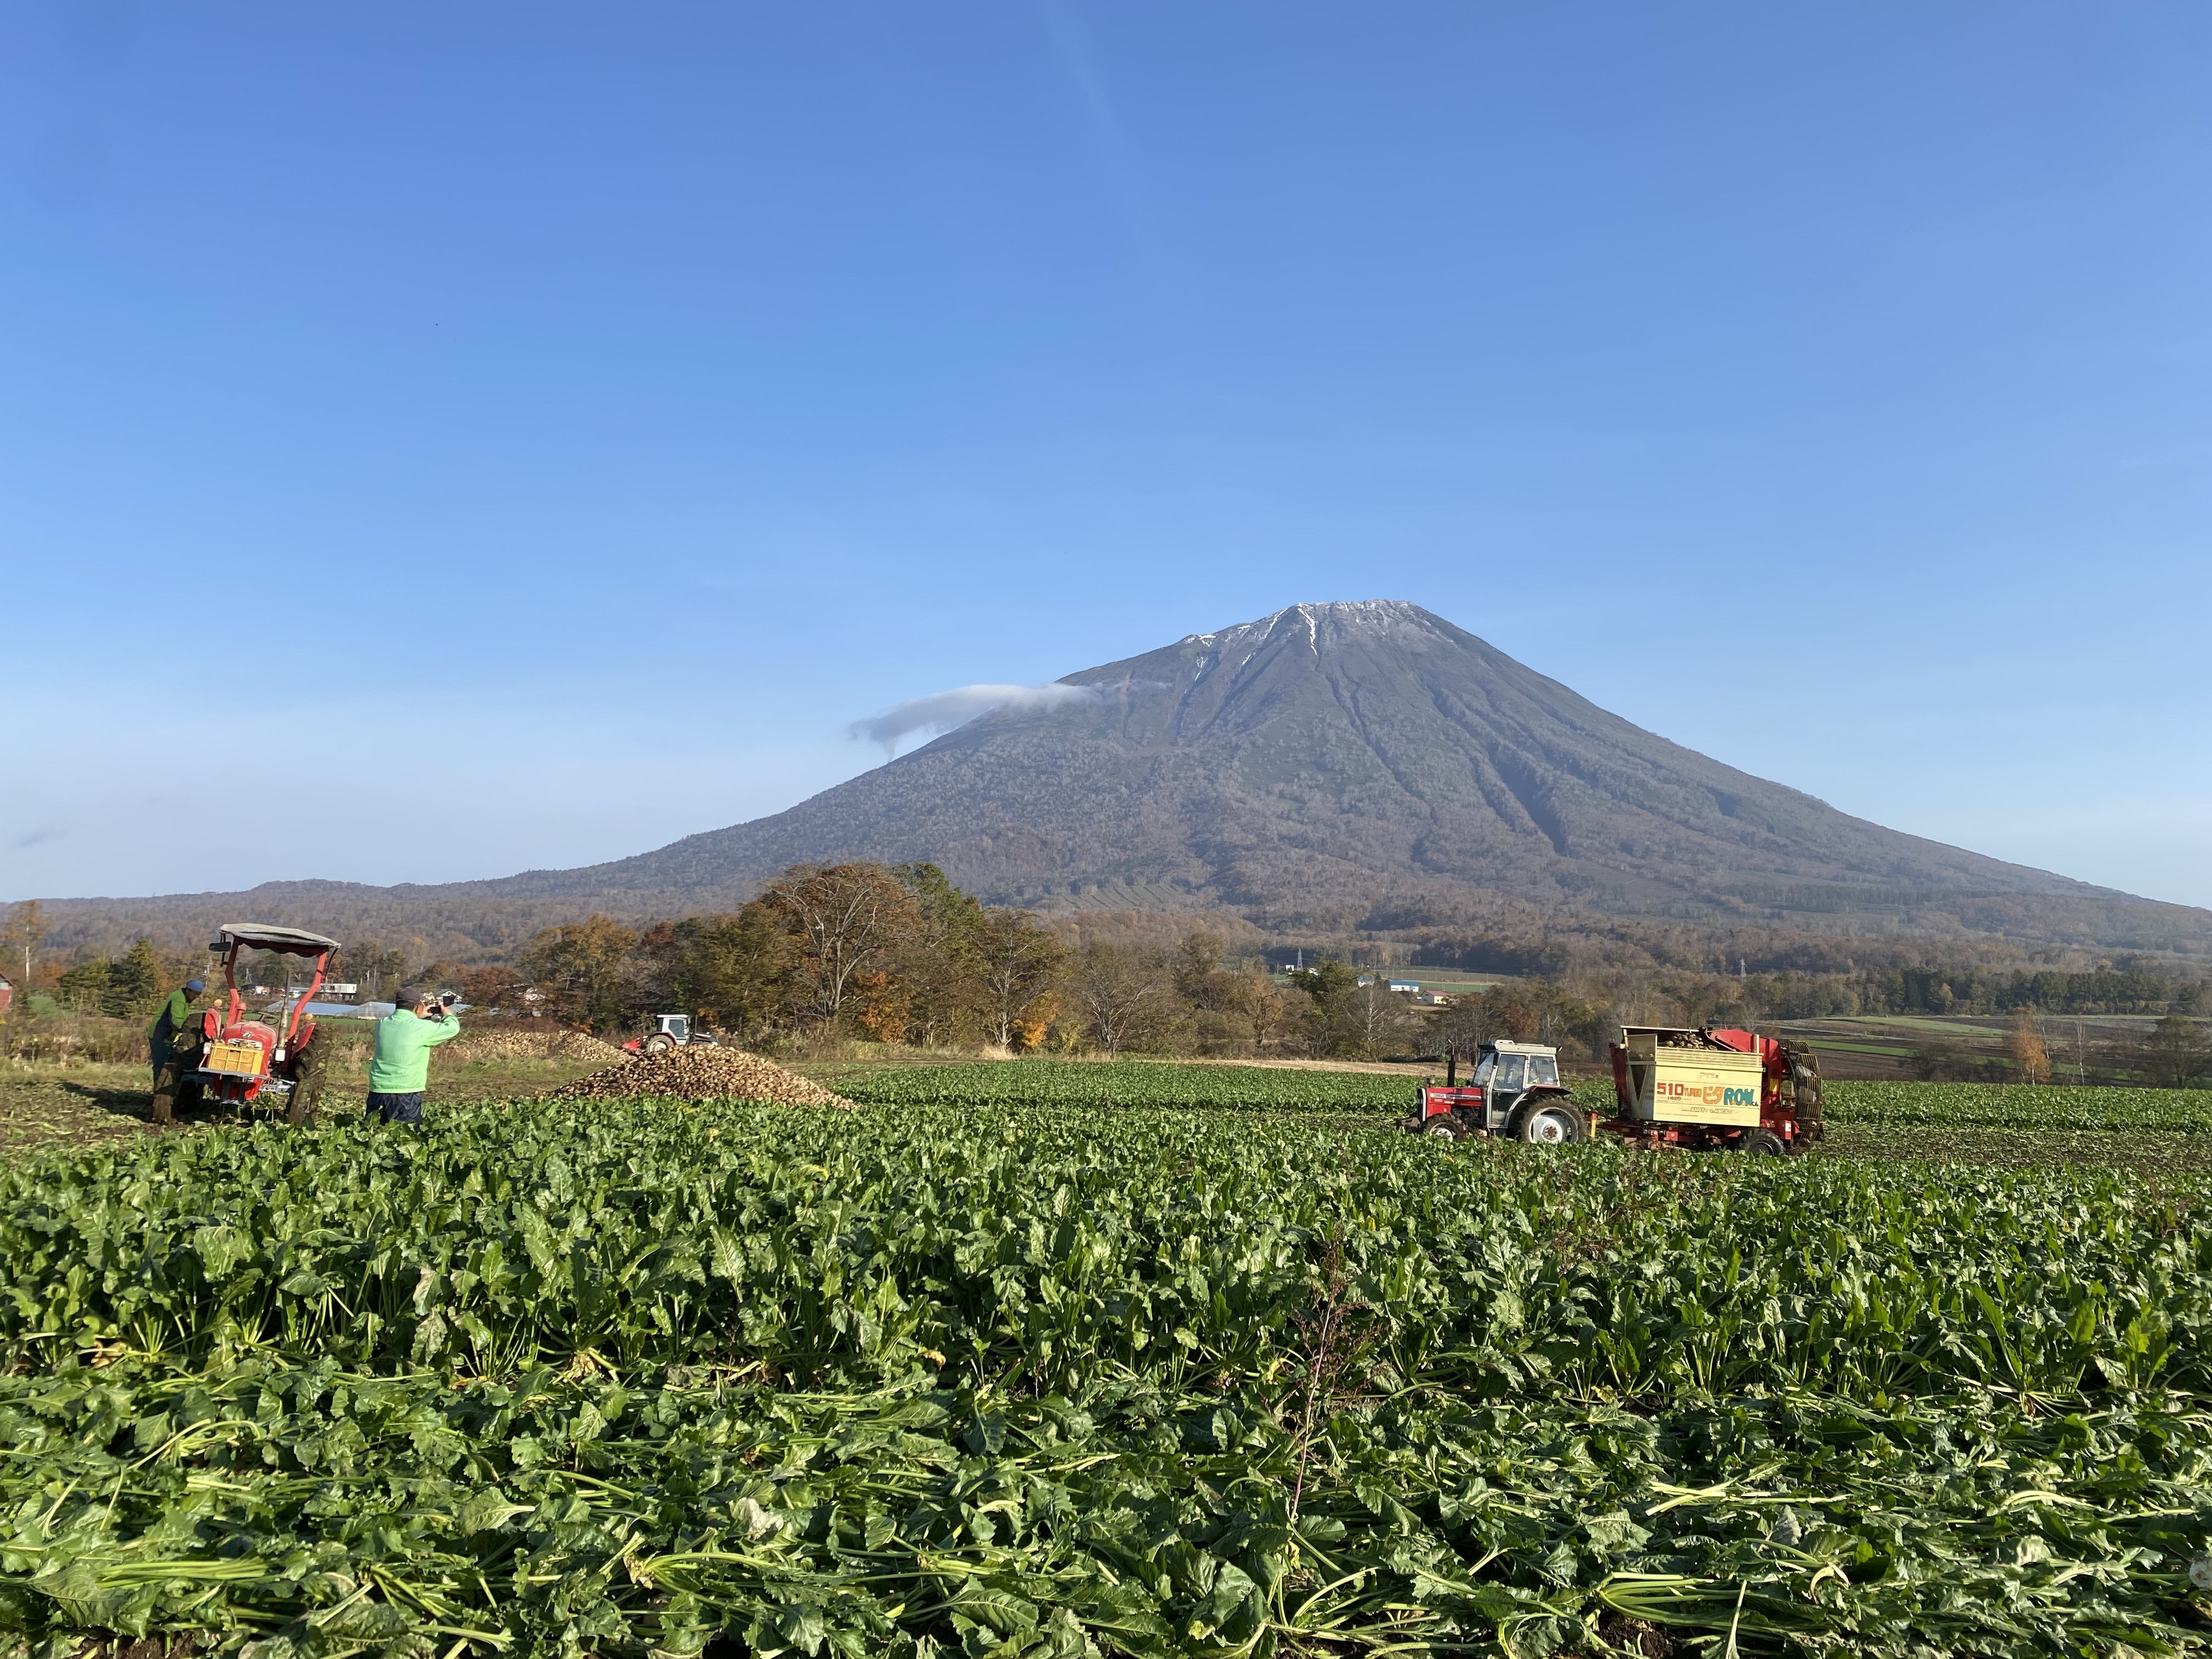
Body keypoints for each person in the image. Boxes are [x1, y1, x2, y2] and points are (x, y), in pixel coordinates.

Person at [368, 985, 462, 1125]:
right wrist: (448, 1014)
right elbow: (452, 1029)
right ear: (418, 1006)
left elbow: (405, 1030)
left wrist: (418, 1016)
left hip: (377, 1090)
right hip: (406, 1092)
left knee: (373, 1134)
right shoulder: (420, 1028)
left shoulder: (382, 1024)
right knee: (404, 1138)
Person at [148, 975, 206, 1090]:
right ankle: (159, 1093)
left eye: (198, 995)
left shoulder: (184, 999)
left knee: (169, 1063)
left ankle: (166, 1089)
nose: (196, 997)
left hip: (169, 1036)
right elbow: (176, 1021)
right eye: (195, 994)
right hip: (160, 1035)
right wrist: (187, 1032)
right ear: (188, 990)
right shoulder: (179, 999)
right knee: (161, 1065)